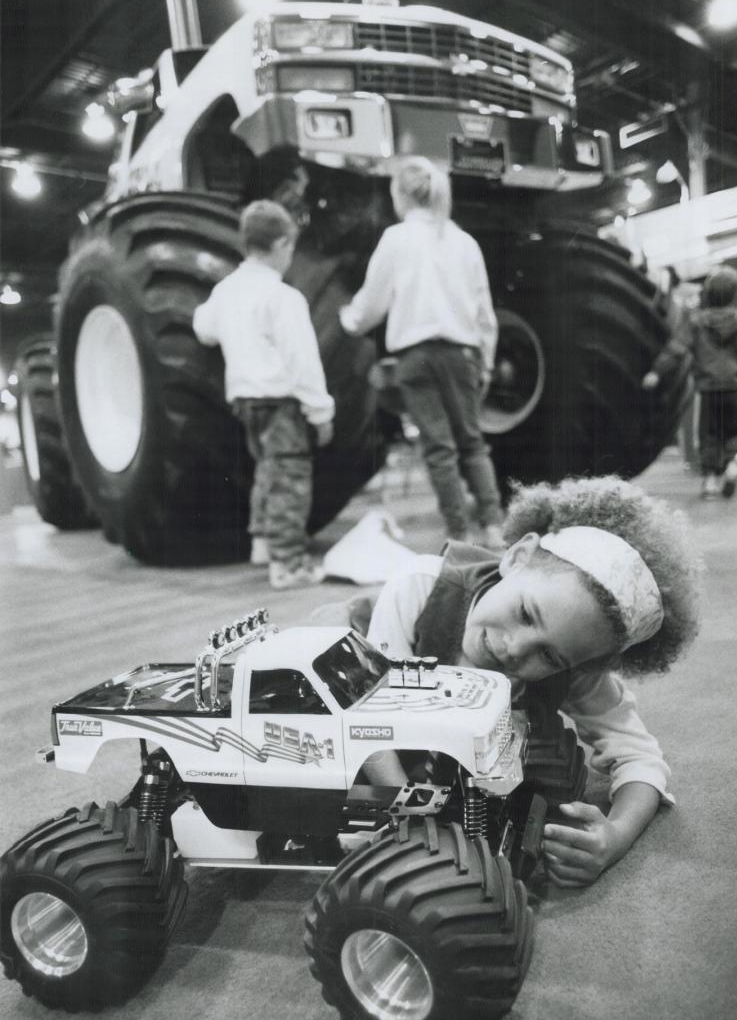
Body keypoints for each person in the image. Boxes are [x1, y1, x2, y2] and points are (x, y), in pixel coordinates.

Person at [362, 475, 701, 887]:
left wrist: (615, 836)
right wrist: (411, 817)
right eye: (526, 612)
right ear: (518, 555)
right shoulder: (420, 588)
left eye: (549, 656)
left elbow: (642, 758)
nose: (513, 648)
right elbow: (366, 721)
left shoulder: (577, 668)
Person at [339, 155, 505, 548]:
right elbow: (484, 311)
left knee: (439, 448)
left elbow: (373, 302)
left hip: (415, 358)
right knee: (472, 441)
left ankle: (458, 532)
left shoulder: (395, 240)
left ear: (400, 195)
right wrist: (487, 359)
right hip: (463, 353)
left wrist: (350, 320)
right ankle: (495, 525)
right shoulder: (465, 242)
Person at [193, 200, 334, 589]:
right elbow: (302, 361)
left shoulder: (226, 291)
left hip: (244, 399)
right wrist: (321, 413)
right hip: (281, 400)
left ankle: (261, 545)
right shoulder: (283, 297)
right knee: (289, 477)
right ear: (283, 243)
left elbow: (202, 327)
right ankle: (288, 564)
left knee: (267, 471)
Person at [643, 264, 737, 499]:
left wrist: (656, 372)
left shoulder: (696, 322)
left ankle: (709, 483)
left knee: (709, 434)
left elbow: (677, 348)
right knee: (735, 431)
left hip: (707, 390)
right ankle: (734, 463)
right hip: (736, 388)